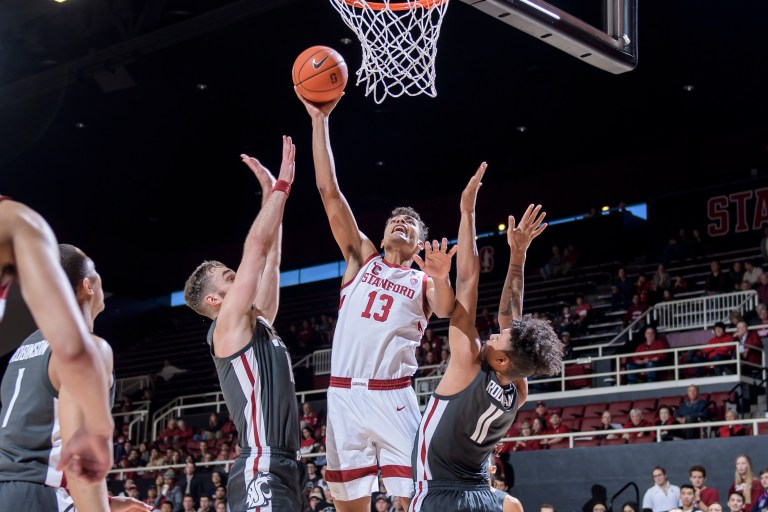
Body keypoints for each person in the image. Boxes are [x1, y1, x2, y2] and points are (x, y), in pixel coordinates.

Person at [298, 94, 458, 512]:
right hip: (343, 396)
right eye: (394, 219)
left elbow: (443, 310)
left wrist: (441, 278)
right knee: (348, 505)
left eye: (409, 223)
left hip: (393, 396)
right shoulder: (360, 260)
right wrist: (319, 121)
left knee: (412, 502)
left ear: (419, 243)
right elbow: (328, 192)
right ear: (382, 235)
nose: (399, 221)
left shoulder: (423, 279)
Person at [409, 171, 562, 511]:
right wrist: (518, 256)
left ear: (503, 360)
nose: (494, 332)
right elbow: (512, 318)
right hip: (482, 495)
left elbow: (467, 282)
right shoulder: (516, 392)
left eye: (497, 338)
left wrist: (467, 213)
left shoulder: (469, 365)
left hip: (440, 494)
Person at [183, 137, 305, 511]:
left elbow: (271, 258)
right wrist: (282, 186)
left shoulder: (257, 322)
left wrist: (271, 194)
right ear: (213, 301)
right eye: (228, 277)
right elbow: (255, 248)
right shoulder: (227, 325)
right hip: (261, 462)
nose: (237, 276)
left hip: (285, 463)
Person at [0, 244, 149, 512]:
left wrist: (108, 503)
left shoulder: (23, 350)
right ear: (88, 285)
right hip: (39, 496)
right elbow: (79, 456)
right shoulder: (86, 347)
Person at [0, 198, 114, 486]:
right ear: (87, 285)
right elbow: (75, 353)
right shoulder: (19, 221)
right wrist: (100, 430)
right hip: (34, 489)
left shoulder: (23, 349)